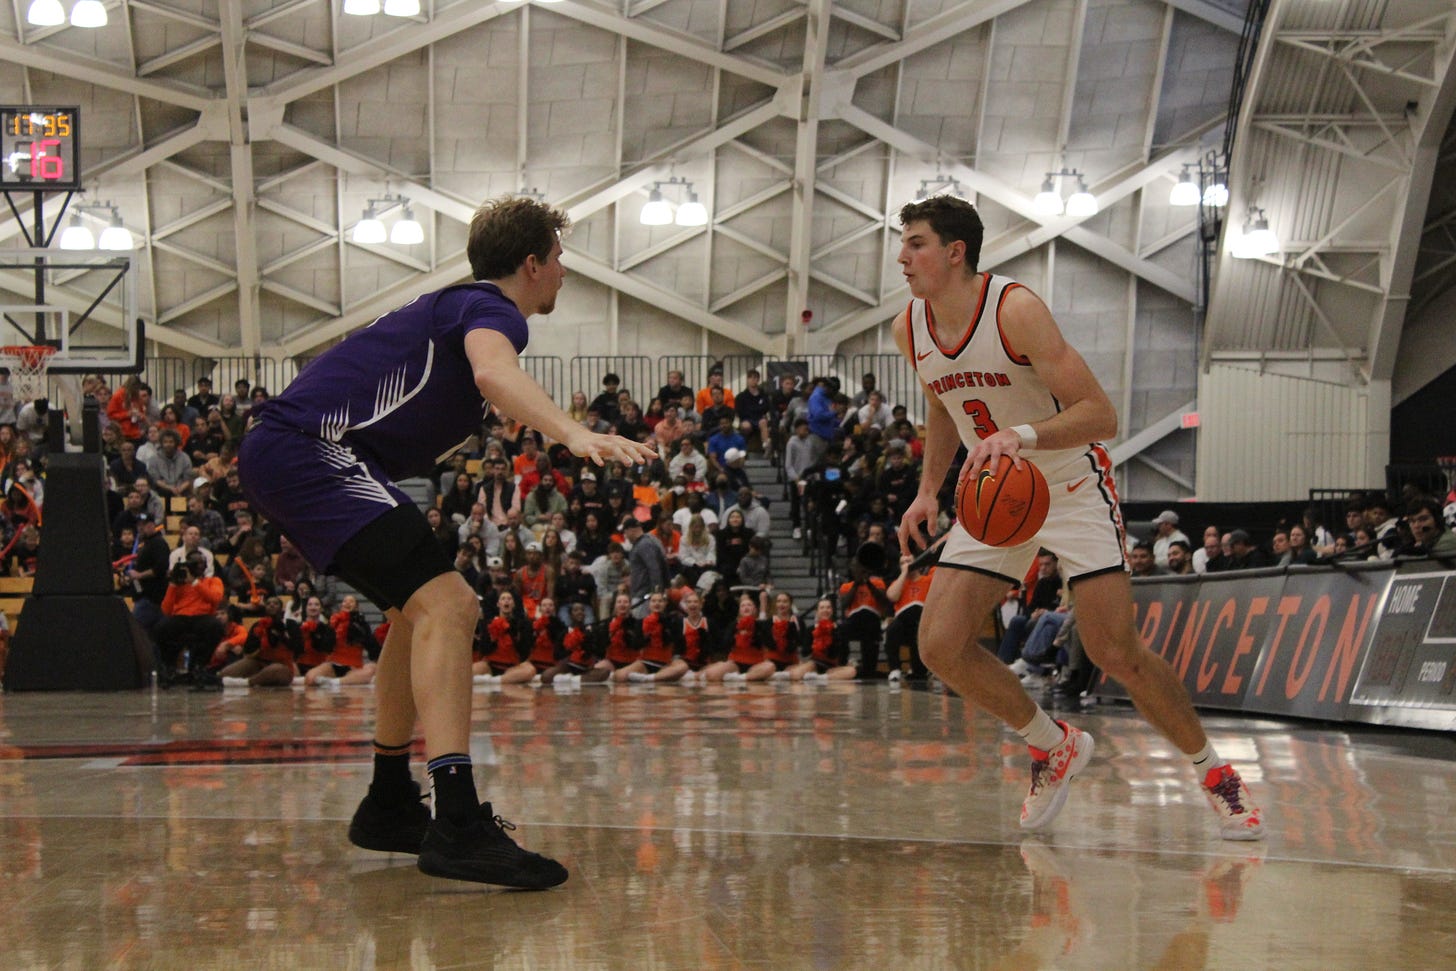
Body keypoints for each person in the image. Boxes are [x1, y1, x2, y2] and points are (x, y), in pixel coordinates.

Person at [236, 196, 657, 887]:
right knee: (452, 604)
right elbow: (494, 373)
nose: (562, 273)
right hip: (308, 451)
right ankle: (456, 821)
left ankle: (390, 800)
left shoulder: (451, 308)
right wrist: (575, 432)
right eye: (559, 259)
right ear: (532, 263)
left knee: (418, 608)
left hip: (296, 454)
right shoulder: (489, 308)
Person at [892, 194, 1261, 841]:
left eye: (916, 243)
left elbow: (1101, 415)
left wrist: (1024, 435)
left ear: (955, 252)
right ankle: (1051, 743)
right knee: (939, 643)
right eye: (903, 243)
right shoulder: (910, 328)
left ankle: (1215, 772)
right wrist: (929, 489)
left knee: (1114, 648)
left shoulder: (1016, 310)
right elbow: (942, 405)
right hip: (994, 490)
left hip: (1064, 480)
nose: (903, 257)